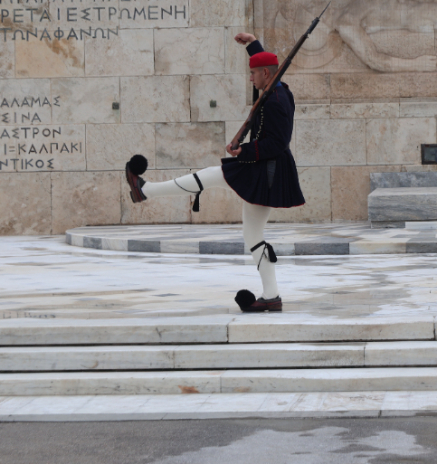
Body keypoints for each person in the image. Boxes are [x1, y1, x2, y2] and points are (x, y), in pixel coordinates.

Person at [124, 32, 305, 313]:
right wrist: (252, 44)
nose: (250, 78)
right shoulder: (275, 90)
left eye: (254, 73)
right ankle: (272, 296)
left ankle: (145, 190)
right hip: (266, 170)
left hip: (265, 171)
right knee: (253, 236)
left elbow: (278, 143)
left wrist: (244, 152)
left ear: (266, 74)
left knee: (212, 176)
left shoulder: (276, 101)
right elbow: (268, 67)